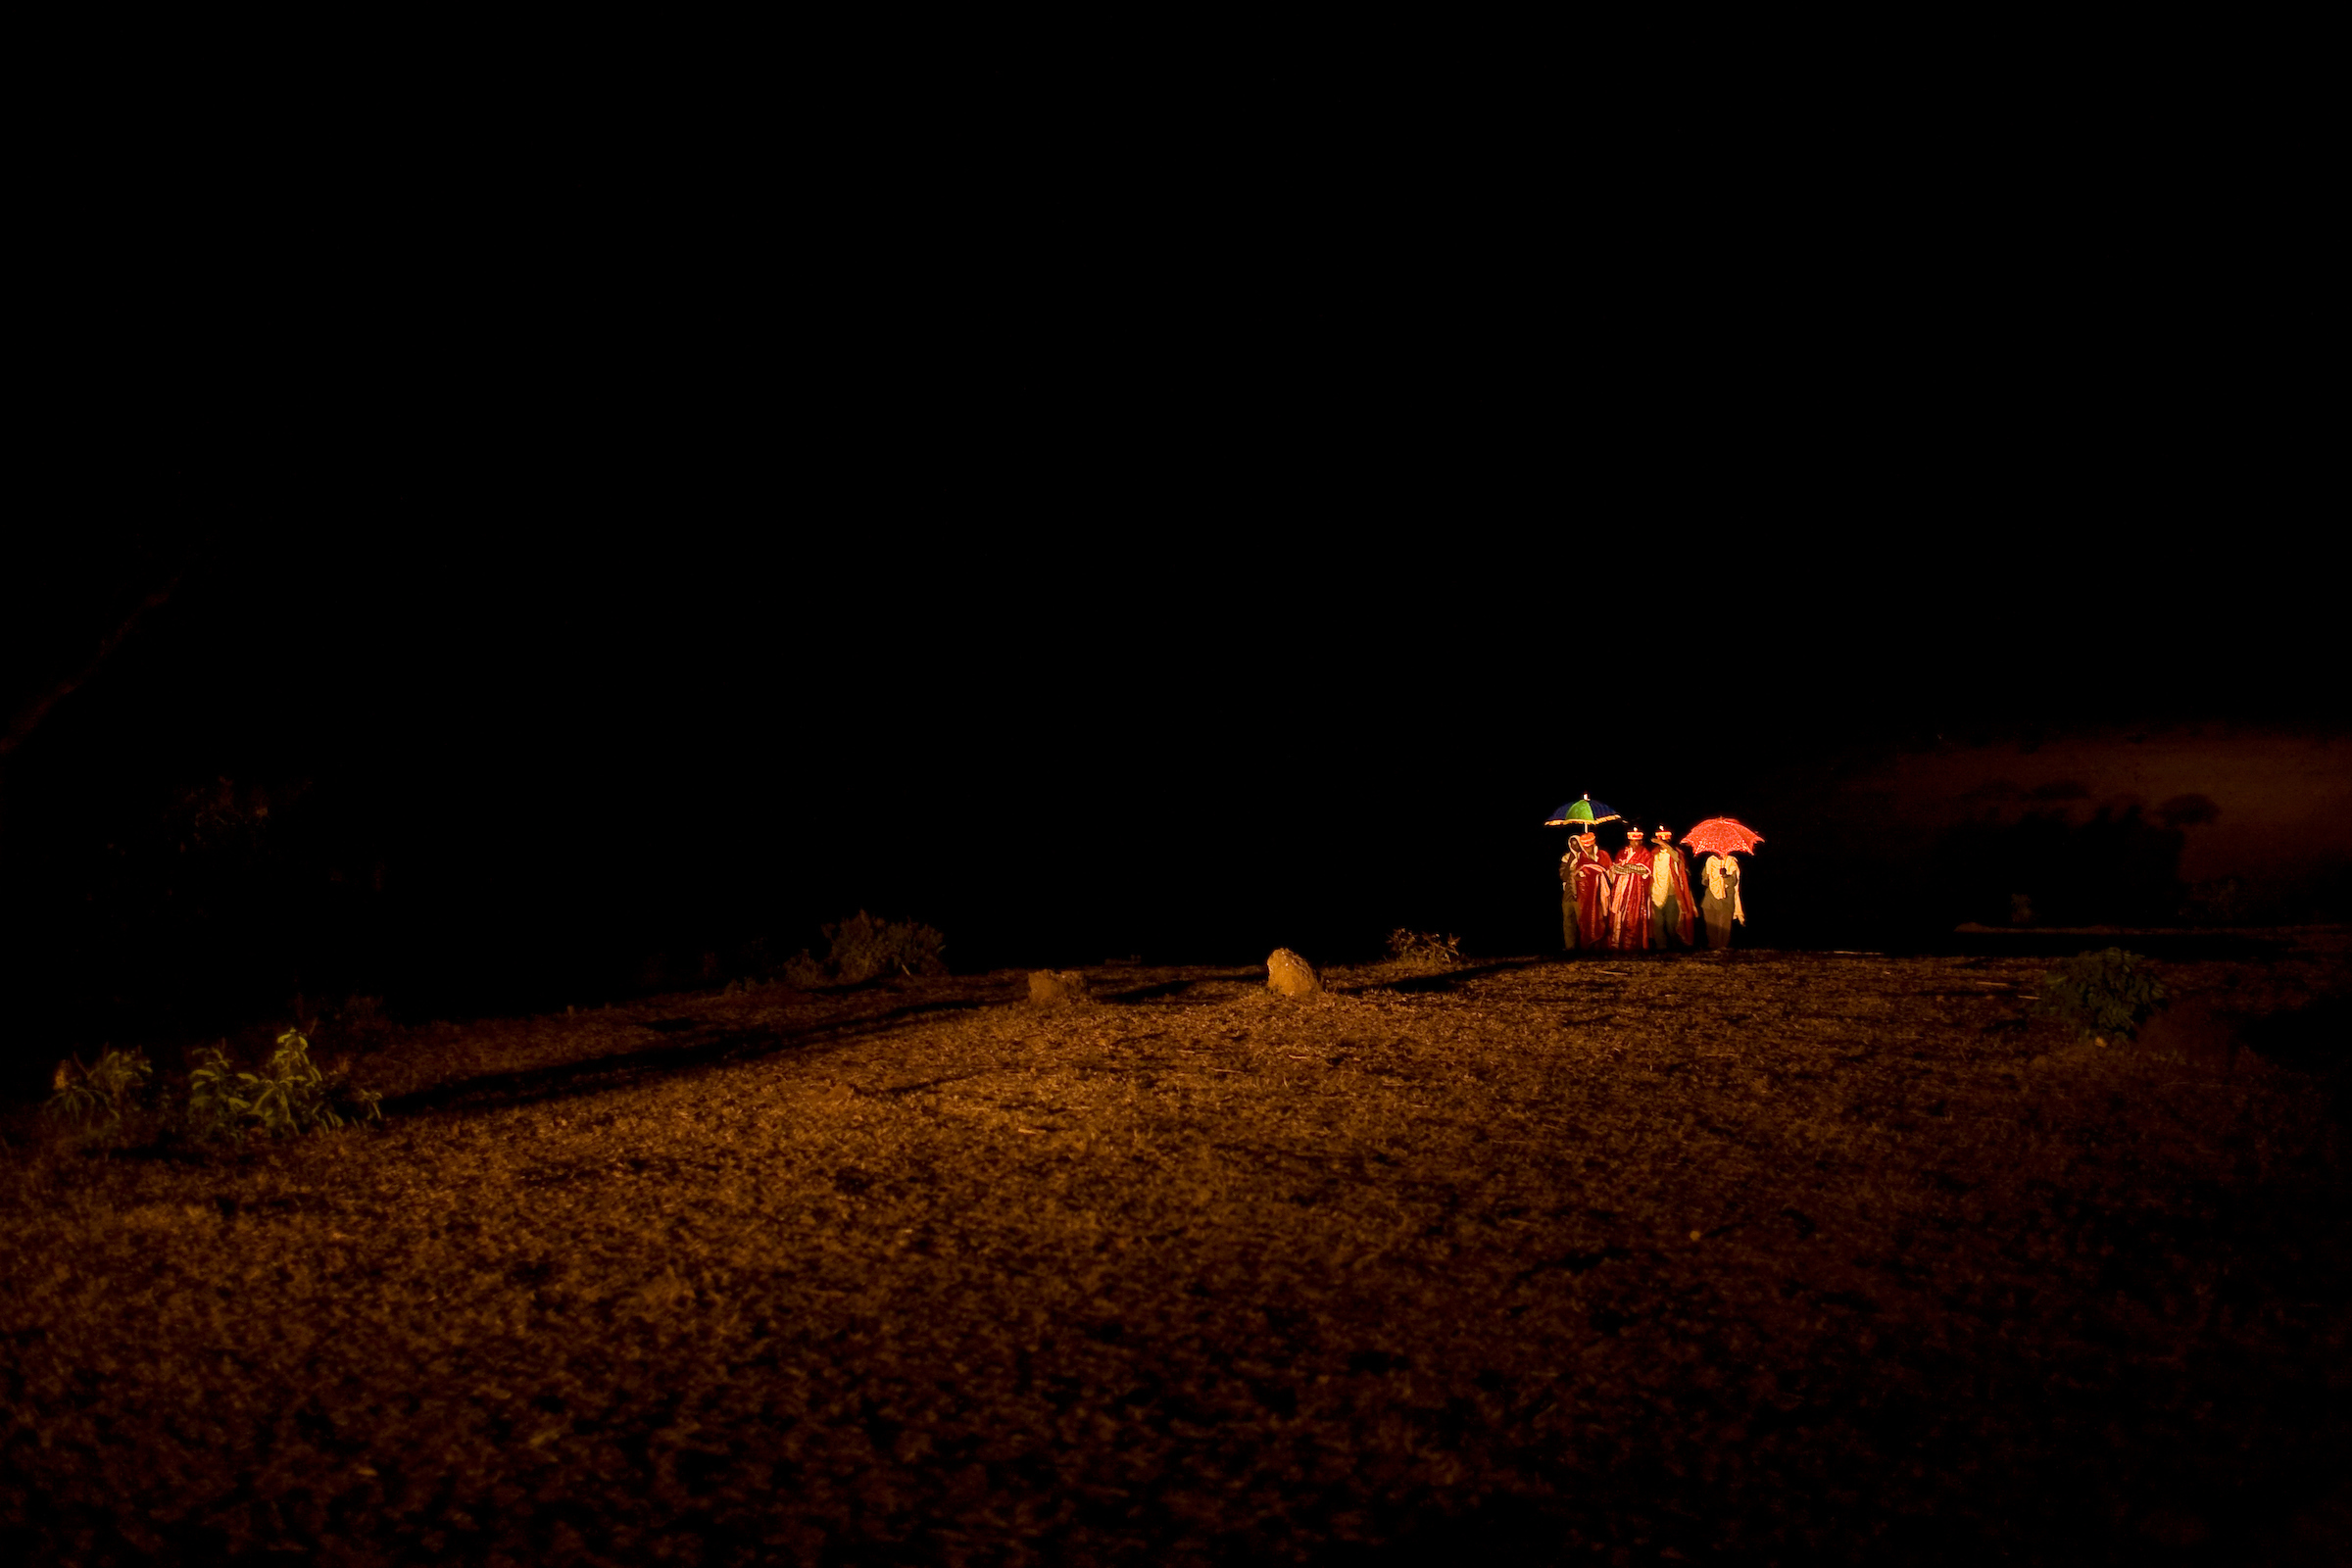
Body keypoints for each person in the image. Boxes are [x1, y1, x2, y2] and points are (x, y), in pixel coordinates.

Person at [1648, 825, 1698, 950]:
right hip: (1656, 892)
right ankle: (1661, 947)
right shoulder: (1653, 854)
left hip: (1672, 894)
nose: (1662, 843)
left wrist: (1662, 843)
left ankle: (1675, 946)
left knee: (1672, 923)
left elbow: (1676, 858)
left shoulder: (1676, 853)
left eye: (1665, 841)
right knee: (1658, 923)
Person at [1561, 830, 1612, 951]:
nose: (1575, 846)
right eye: (1572, 844)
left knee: (1599, 918)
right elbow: (1565, 875)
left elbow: (1608, 873)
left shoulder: (1602, 855)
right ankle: (1575, 948)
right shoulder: (1575, 858)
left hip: (1598, 893)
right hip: (1579, 895)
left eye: (1577, 843)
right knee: (1578, 921)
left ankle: (1599, 946)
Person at [1606, 826, 1653, 949]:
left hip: (1635, 889)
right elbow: (1614, 867)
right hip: (1620, 887)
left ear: (1641, 841)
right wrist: (1621, 868)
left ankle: (1631, 944)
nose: (1634, 843)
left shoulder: (1645, 853)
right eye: (1632, 841)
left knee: (1632, 914)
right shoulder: (1622, 852)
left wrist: (1631, 868)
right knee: (1618, 913)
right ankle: (1616, 942)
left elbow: (1646, 870)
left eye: (1637, 841)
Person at [1698, 850, 1744, 949]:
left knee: (1724, 923)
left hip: (1726, 897)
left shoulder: (1731, 862)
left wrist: (1725, 875)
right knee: (1710, 922)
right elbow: (1704, 878)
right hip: (1710, 897)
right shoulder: (1710, 860)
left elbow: (1733, 882)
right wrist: (1705, 880)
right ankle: (1712, 944)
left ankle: (1722, 945)